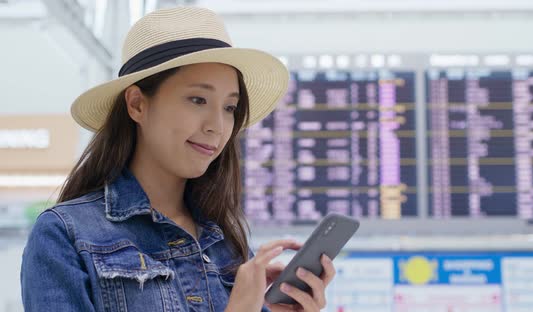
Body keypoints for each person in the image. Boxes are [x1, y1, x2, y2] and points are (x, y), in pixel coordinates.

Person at [20, 6, 335, 312]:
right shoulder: (64, 236)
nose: (217, 126)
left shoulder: (225, 244)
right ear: (137, 105)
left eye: (229, 107)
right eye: (198, 100)